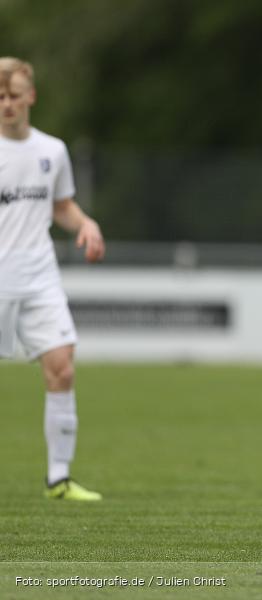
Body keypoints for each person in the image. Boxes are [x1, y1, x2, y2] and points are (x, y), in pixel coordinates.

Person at [0, 57, 104, 501]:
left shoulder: (52, 150)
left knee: (62, 367)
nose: (6, 104)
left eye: (13, 95)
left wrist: (85, 223)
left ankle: (58, 479)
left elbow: (61, 205)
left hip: (40, 275)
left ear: (31, 97)